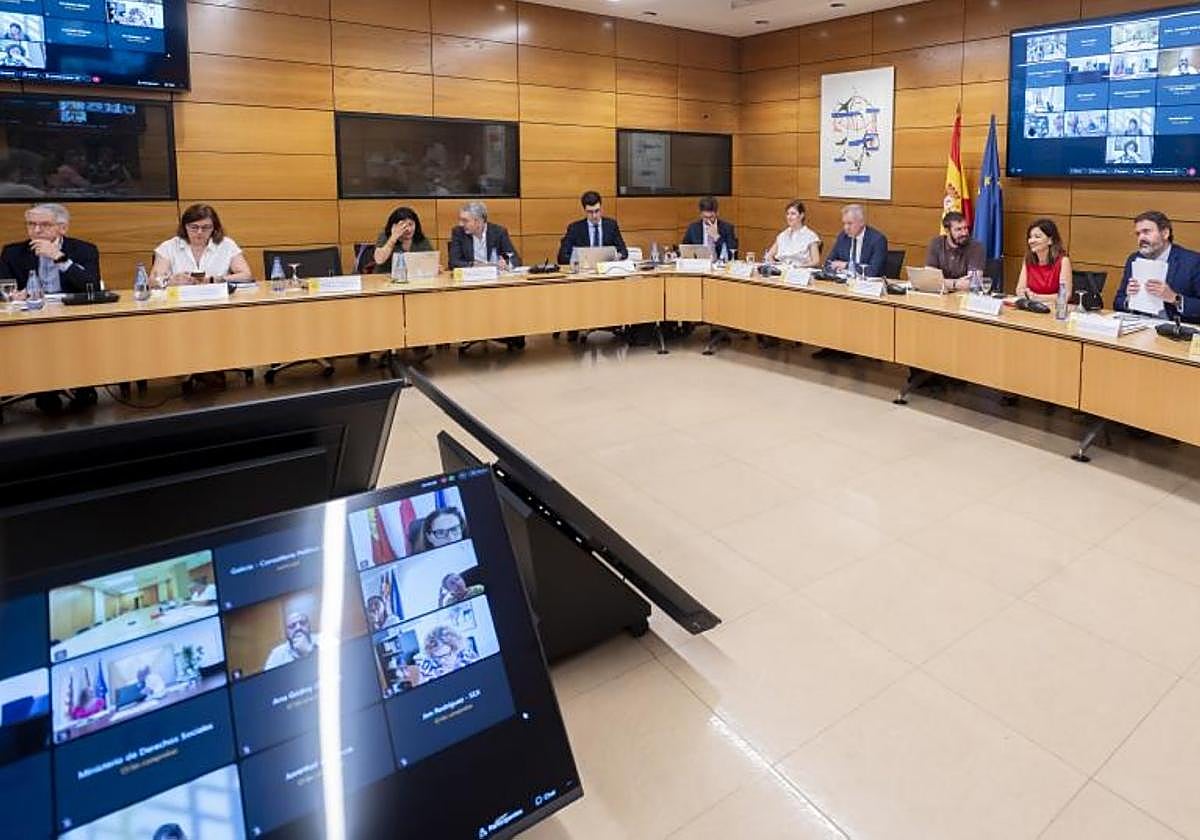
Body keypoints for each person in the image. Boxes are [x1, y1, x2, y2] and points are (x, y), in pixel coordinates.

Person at [1114, 210, 1200, 322]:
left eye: (1146, 232)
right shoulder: (1134, 259)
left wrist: (1175, 298)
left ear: (1165, 233)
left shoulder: (1192, 262)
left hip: (1175, 330)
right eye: (1138, 234)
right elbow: (1117, 302)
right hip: (1139, 326)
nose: (1141, 238)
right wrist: (1129, 299)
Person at [152, 203, 252, 284]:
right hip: (180, 302)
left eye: (206, 227)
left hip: (218, 300)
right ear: (184, 227)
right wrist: (173, 281)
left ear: (214, 228)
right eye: (194, 227)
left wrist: (215, 280)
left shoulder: (227, 245)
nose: (199, 232)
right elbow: (152, 282)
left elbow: (246, 275)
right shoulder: (168, 247)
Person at [557, 190, 628, 264]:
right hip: (584, 271)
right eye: (590, 212)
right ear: (584, 210)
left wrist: (618, 256)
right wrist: (578, 261)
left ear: (601, 208)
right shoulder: (575, 228)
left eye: (597, 211)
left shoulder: (611, 226)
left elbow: (624, 251)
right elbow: (562, 257)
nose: (594, 216)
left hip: (605, 270)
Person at [1014, 218, 1072, 304]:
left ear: (1050, 240)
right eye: (1030, 237)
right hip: (1032, 309)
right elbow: (1019, 290)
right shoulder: (1028, 259)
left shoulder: (1063, 261)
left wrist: (1036, 297)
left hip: (1055, 312)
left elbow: (1065, 295)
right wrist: (1026, 294)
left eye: (1037, 237)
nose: (1031, 241)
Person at [447, 201, 519, 269]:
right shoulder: (459, 232)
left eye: (465, 220)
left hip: (495, 278)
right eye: (460, 220)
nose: (461, 224)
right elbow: (454, 262)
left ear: (479, 221)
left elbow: (514, 258)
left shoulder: (498, 232)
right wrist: (476, 265)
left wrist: (506, 262)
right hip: (471, 278)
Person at [925, 211, 986, 290]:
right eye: (958, 229)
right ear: (947, 231)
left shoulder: (976, 247)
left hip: (966, 298)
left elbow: (973, 283)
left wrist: (942, 282)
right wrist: (955, 284)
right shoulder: (936, 243)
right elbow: (929, 278)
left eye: (965, 228)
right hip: (941, 295)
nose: (964, 233)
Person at [825, 203, 888, 277]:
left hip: (868, 285)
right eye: (844, 223)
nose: (846, 228)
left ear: (861, 222)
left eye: (849, 223)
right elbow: (828, 263)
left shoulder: (877, 240)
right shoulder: (843, 237)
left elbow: (873, 271)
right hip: (844, 283)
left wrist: (846, 265)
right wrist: (837, 269)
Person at [371, 206, 433, 272]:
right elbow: (379, 260)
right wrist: (393, 237)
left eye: (410, 224)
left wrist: (433, 267)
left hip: (413, 279)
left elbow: (431, 260)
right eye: (403, 225)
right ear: (394, 226)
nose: (408, 229)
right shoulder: (386, 236)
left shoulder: (420, 238)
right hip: (384, 279)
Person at [764, 199, 820, 266]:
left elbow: (816, 261)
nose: (789, 217)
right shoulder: (783, 235)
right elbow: (769, 255)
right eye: (788, 214)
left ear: (801, 216)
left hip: (801, 271)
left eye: (793, 214)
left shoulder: (811, 236)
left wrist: (800, 267)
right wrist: (774, 264)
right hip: (782, 271)